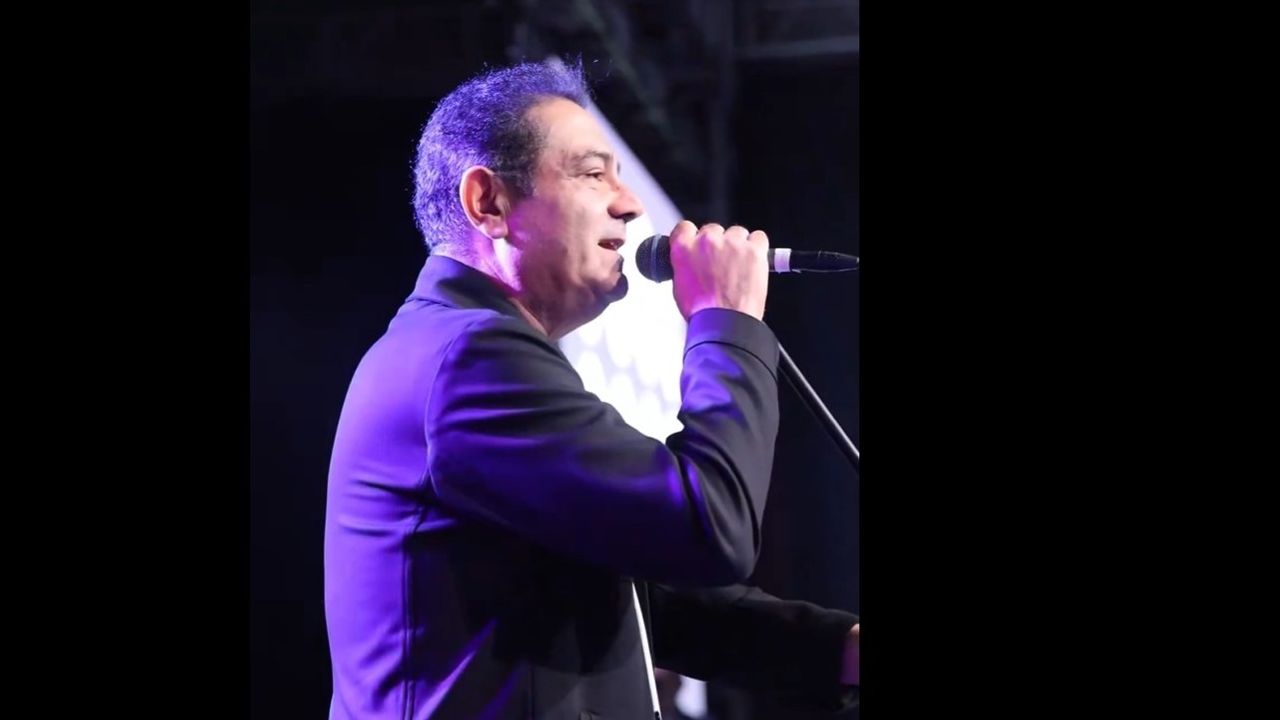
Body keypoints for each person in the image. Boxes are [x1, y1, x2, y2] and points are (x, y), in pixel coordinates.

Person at [323, 59, 859, 720]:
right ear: (489, 203)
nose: (631, 205)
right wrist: (726, 320)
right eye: (591, 173)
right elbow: (709, 527)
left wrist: (843, 650)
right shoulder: (467, 359)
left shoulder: (464, 351)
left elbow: (644, 598)